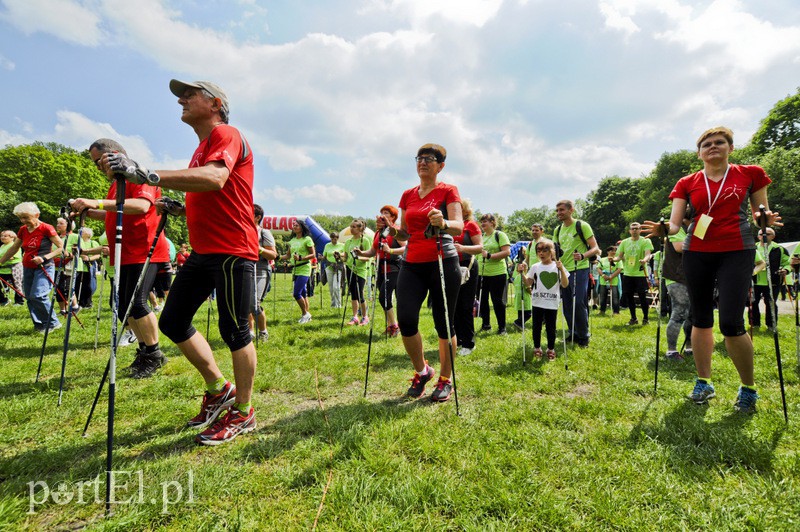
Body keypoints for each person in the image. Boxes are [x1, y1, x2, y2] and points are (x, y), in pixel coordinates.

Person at [105, 79, 259, 444]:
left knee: (235, 330)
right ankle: (219, 389)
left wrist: (147, 174)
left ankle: (243, 411)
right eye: (180, 94)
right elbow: (206, 189)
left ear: (216, 103)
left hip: (232, 248)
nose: (181, 100)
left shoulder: (227, 133)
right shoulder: (201, 147)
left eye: (190, 94)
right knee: (173, 321)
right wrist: (178, 204)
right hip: (205, 251)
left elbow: (216, 178)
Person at [643, 126, 779, 414]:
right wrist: (664, 229)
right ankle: (704, 381)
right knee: (700, 318)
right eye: (706, 144)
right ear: (699, 153)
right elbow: (677, 224)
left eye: (719, 142)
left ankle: (748, 388)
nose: (713, 147)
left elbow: (758, 214)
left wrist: (764, 219)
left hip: (736, 250)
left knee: (731, 322)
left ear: (730, 147)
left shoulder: (750, 173)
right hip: (697, 252)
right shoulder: (687, 182)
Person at [72, 138, 171, 378]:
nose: (98, 167)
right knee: (125, 307)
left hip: (144, 249)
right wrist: (87, 210)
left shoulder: (138, 174)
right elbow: (114, 211)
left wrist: (96, 202)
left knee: (138, 303)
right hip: (124, 252)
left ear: (113, 155)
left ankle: (155, 355)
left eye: (98, 162)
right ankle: (144, 350)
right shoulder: (116, 184)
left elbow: (140, 206)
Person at [385, 143, 463, 401]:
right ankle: (422, 371)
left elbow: (458, 227)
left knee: (444, 323)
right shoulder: (408, 194)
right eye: (419, 158)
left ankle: (445, 379)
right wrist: (391, 228)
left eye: (430, 159)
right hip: (412, 262)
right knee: (406, 320)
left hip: (442, 261)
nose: (423, 162)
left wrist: (444, 222)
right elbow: (405, 233)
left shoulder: (448, 191)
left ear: (440, 166)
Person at [0, 202, 63, 332]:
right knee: (29, 297)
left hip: (44, 266)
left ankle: (53, 322)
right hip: (27, 267)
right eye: (21, 218)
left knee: (38, 295)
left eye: (26, 217)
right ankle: (39, 324)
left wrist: (44, 257)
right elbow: (14, 248)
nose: (23, 221)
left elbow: (61, 248)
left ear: (36, 215)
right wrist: (0, 262)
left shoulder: (46, 228)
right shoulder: (23, 229)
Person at [552, 199, 600, 347]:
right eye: (557, 210)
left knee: (578, 302)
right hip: (563, 270)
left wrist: (583, 256)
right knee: (566, 304)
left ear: (571, 210)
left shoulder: (582, 225)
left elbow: (595, 248)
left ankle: (584, 335)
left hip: (580, 268)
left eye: (562, 210)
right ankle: (573, 333)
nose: (559, 213)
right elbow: (555, 249)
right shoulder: (557, 230)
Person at [356, 205, 406, 336]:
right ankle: (391, 325)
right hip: (380, 268)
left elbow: (406, 248)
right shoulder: (378, 233)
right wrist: (361, 253)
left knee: (384, 296)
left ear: (393, 217)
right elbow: (373, 251)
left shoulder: (396, 230)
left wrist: (390, 250)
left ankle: (395, 326)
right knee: (384, 298)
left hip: (394, 267)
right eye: (381, 213)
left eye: (386, 213)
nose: (382, 215)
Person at [518, 238, 570, 360]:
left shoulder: (557, 267)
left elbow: (565, 284)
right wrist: (522, 274)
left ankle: (550, 348)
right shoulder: (535, 267)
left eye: (544, 250)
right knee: (536, 326)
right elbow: (528, 283)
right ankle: (537, 347)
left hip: (552, 303)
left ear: (551, 252)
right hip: (537, 302)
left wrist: (562, 269)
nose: (541, 253)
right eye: (538, 250)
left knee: (551, 327)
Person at [453, 199, 483, 355]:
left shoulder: (470, 225)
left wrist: (463, 247)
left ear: (464, 211)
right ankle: (458, 340)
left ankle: (469, 343)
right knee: (455, 305)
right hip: (451, 266)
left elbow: (480, 247)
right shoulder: (449, 226)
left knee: (465, 305)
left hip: (468, 266)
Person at [661, 221, 693, 360]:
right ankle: (671, 351)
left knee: (692, 315)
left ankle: (689, 348)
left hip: (693, 277)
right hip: (677, 276)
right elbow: (680, 247)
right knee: (679, 313)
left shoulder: (700, 223)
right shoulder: (676, 226)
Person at [749, 227, 789, 329]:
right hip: (755, 280)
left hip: (772, 281)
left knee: (771, 303)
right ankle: (755, 324)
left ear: (773, 236)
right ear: (758, 236)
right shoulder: (753, 248)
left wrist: (785, 270)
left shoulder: (779, 249)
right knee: (753, 302)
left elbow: (788, 263)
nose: (764, 236)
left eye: (768, 234)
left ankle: (771, 325)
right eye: (762, 234)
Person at [614, 222, 654, 325]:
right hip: (628, 273)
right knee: (629, 296)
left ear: (640, 230)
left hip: (640, 274)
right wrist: (613, 259)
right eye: (633, 229)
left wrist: (644, 260)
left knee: (642, 297)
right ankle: (633, 318)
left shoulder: (646, 241)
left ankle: (645, 318)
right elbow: (619, 256)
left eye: (637, 228)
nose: (635, 230)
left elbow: (648, 254)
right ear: (629, 231)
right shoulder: (624, 242)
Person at [477, 213, 511, 335]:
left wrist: (490, 256)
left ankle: (502, 328)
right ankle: (486, 325)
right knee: (483, 301)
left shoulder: (499, 235)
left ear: (492, 222)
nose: (482, 224)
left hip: (497, 274)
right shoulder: (481, 237)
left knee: (497, 301)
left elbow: (507, 252)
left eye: (485, 221)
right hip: (482, 274)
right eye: (481, 222)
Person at [280, 219, 315, 324]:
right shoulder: (292, 240)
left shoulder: (307, 239)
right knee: (303, 293)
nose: (294, 226)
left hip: (304, 268)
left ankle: (305, 314)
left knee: (296, 293)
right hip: (295, 268)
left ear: (301, 227)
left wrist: (301, 258)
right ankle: (306, 315)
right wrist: (277, 257)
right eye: (293, 225)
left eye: (297, 225)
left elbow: (313, 254)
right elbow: (288, 255)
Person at [251, 204, 277, 341]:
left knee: (254, 303)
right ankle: (249, 332)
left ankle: (263, 332)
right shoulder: (241, 230)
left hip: (260, 269)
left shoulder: (264, 232)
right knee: (245, 303)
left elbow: (273, 255)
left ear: (257, 217)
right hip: (243, 268)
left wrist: (258, 249)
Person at [343, 218, 371, 325]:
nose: (351, 228)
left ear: (360, 228)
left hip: (361, 270)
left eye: (354, 227)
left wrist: (358, 257)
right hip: (350, 269)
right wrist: (338, 257)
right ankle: (355, 317)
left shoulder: (365, 241)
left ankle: (365, 317)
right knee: (353, 294)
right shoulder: (348, 242)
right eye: (351, 226)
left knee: (360, 294)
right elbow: (345, 258)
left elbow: (368, 257)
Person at [0, 230, 24, 306]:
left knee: (16, 285)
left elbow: (12, 257)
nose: (2, 237)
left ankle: (19, 301)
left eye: (5, 236)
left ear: (12, 237)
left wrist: (3, 259)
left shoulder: (14, 245)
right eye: (1, 236)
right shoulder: (2, 246)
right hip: (3, 269)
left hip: (14, 268)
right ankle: (3, 300)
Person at [322, 232, 345, 308]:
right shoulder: (327, 245)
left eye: (335, 239)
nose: (334, 240)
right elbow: (324, 256)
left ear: (338, 238)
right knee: (331, 287)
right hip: (329, 267)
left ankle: (338, 305)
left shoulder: (342, 245)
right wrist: (320, 258)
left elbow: (345, 256)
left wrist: (339, 255)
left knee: (336, 287)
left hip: (338, 267)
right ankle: (333, 304)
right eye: (332, 239)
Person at [597, 246, 620, 315]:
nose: (613, 252)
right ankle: (602, 310)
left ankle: (616, 311)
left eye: (615, 251)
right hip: (603, 280)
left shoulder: (618, 260)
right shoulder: (602, 260)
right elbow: (598, 268)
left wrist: (611, 277)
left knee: (615, 296)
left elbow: (619, 269)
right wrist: (603, 275)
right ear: (607, 252)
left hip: (614, 281)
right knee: (602, 296)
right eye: (611, 250)